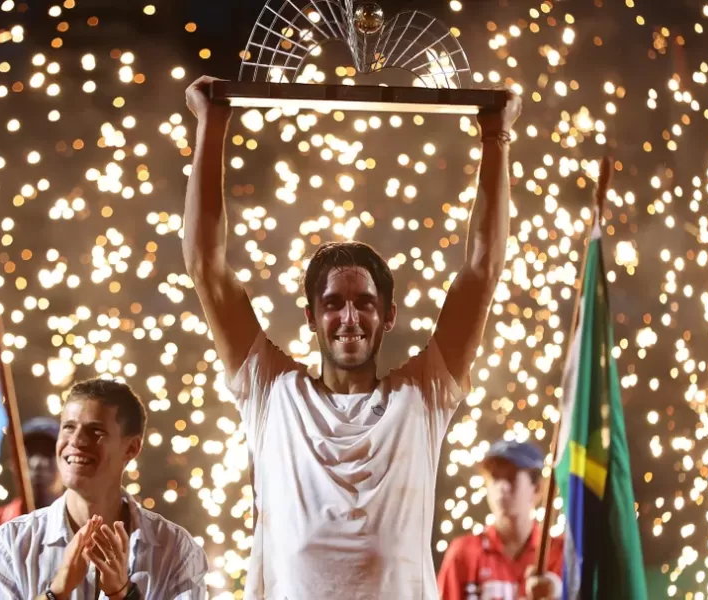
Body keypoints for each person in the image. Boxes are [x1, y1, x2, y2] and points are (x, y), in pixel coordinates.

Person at [183, 74, 521, 599]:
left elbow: (482, 271)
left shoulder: (421, 394)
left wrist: (496, 137)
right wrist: (212, 123)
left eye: (364, 303)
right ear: (311, 316)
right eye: (333, 303)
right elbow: (207, 267)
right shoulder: (272, 393)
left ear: (388, 316)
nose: (349, 317)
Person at [0, 378, 208, 599]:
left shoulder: (176, 550)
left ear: (131, 448)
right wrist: (56, 592)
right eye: (69, 427)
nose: (76, 441)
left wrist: (123, 594)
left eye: (96, 431)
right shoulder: (11, 544)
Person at [437, 440, 564, 600]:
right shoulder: (463, 553)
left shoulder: (560, 553)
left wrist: (558, 594)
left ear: (537, 488)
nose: (501, 487)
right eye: (495, 478)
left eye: (511, 478)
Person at [0, 417, 65, 528]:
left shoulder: (83, 527)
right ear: (13, 464)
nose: (37, 463)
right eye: (29, 452)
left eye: (48, 452)